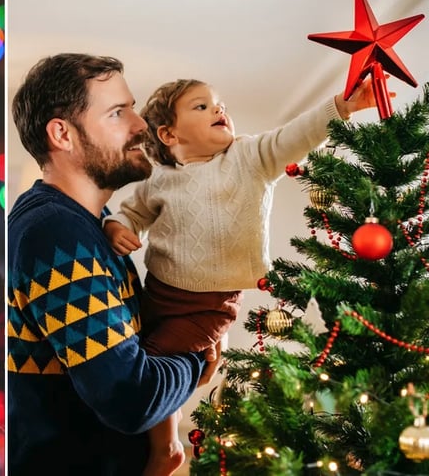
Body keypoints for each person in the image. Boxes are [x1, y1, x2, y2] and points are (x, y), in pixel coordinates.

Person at [103, 77, 383, 475]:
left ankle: (167, 449)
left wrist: (342, 106)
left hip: (211, 301)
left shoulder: (248, 157)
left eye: (219, 104)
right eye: (202, 107)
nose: (219, 110)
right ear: (168, 133)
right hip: (160, 292)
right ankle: (203, 359)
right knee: (149, 347)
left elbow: (294, 135)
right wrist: (117, 228)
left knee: (156, 362)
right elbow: (130, 213)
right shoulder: (157, 179)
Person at [7, 53, 220, 476]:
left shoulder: (95, 225)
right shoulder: (54, 232)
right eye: (118, 112)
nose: (141, 125)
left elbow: (132, 352)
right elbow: (131, 399)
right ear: (62, 135)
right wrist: (198, 360)